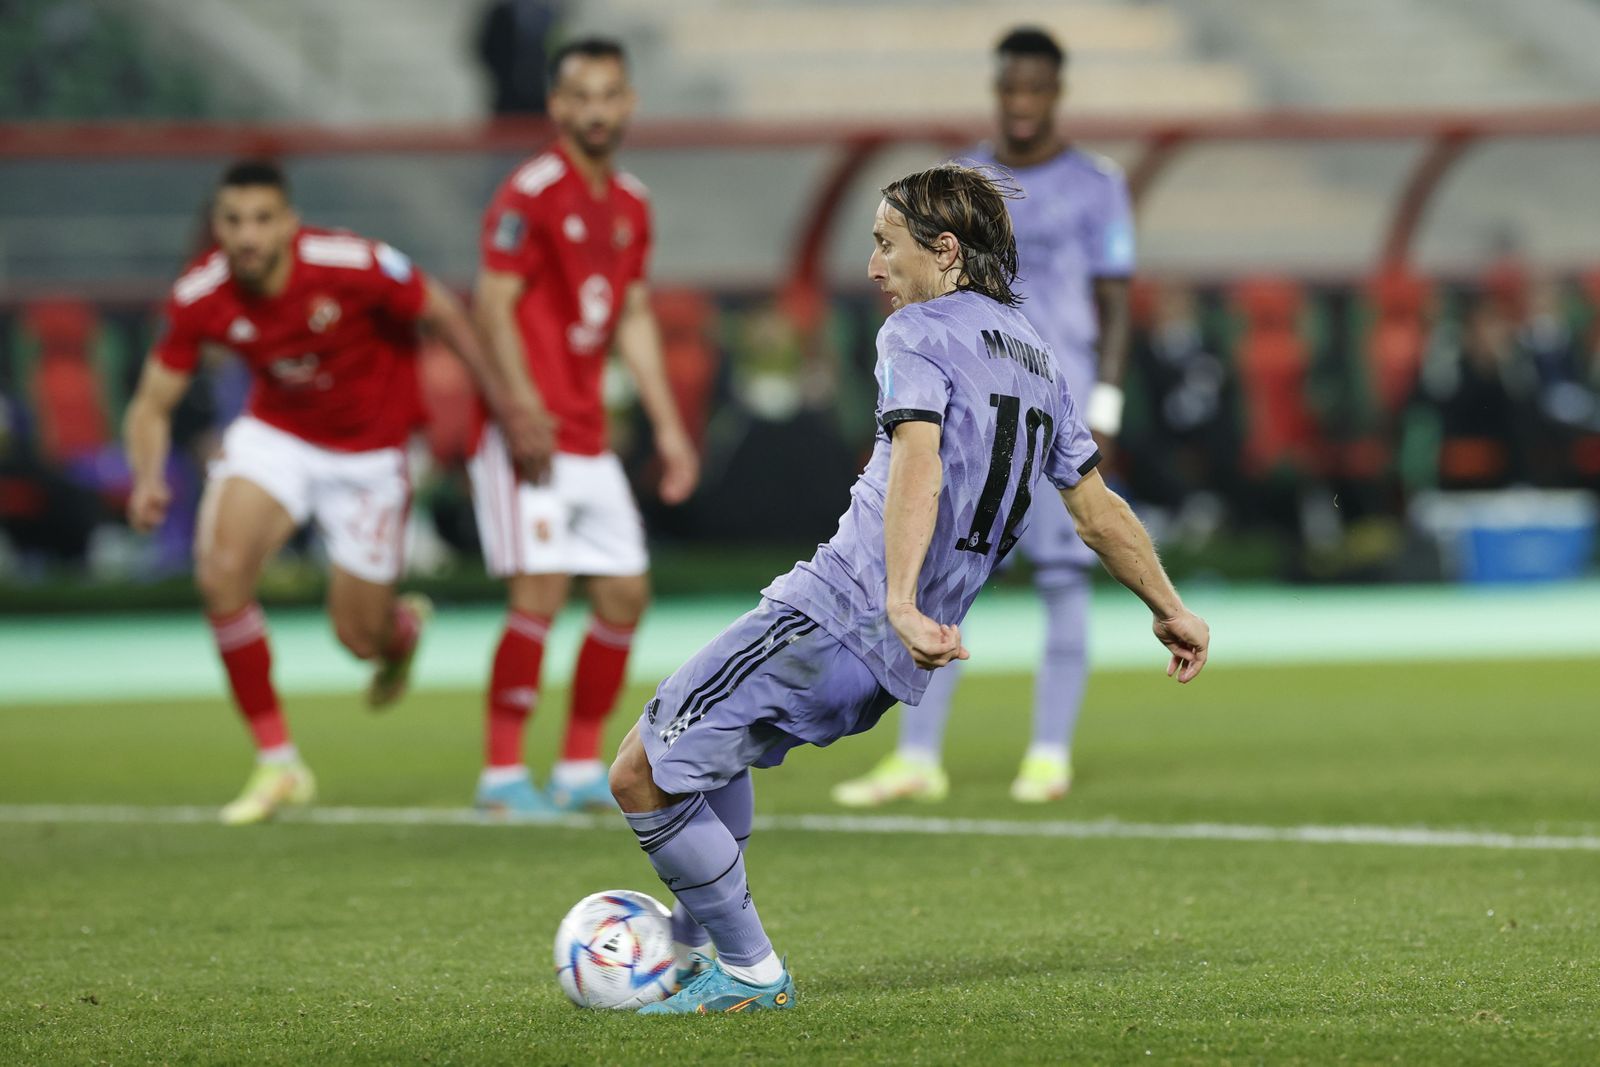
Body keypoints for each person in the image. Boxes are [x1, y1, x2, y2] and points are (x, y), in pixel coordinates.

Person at [608, 164, 1209, 1014]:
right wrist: (1171, 607)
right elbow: (1097, 510)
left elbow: (917, 464)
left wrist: (895, 597)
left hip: (838, 611)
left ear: (946, 251)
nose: (872, 267)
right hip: (896, 658)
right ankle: (693, 945)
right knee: (710, 748)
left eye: (887, 244)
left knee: (637, 771)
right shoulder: (1038, 357)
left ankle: (747, 972)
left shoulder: (916, 334)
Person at [124, 159, 527, 825]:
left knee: (357, 638)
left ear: (288, 222)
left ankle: (399, 632)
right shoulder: (201, 293)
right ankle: (279, 761)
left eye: (261, 219)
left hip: (370, 455)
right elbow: (149, 403)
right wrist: (146, 476)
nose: (247, 236)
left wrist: (503, 400)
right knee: (221, 575)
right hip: (277, 437)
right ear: (216, 227)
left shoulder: (351, 263)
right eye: (233, 221)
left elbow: (443, 310)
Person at [834, 27, 1135, 808]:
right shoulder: (962, 184)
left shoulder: (1100, 184)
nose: (1023, 103)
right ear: (997, 90)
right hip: (970, 405)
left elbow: (1115, 297)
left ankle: (1047, 751)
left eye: (1037, 89)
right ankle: (918, 756)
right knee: (932, 568)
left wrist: (1106, 402)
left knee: (1065, 573)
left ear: (1057, 93)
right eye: (1011, 89)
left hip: (1051, 407)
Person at [470, 37, 699, 816]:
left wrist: (669, 427)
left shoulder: (631, 203)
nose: (597, 111)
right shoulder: (530, 192)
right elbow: (492, 303)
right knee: (539, 591)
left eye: (610, 96)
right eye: (582, 98)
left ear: (628, 102)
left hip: (588, 435)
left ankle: (574, 766)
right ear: (558, 106)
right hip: (528, 435)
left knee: (625, 593)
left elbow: (631, 316)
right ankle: (501, 774)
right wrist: (519, 405)